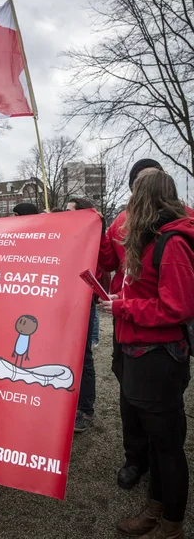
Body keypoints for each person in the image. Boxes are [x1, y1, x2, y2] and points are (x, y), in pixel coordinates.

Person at [100, 170, 192, 539]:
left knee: (167, 446)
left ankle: (173, 525)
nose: (129, 203)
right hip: (140, 352)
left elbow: (177, 308)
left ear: (145, 200)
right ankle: (156, 509)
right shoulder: (153, 240)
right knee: (157, 442)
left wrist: (124, 308)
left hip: (158, 357)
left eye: (135, 195)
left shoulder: (173, 243)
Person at [98, 158, 164, 488]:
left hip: (162, 332)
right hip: (126, 327)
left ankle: (162, 458)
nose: (147, 188)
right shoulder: (120, 224)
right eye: (140, 182)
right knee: (128, 396)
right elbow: (106, 263)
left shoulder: (180, 222)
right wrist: (92, 234)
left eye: (154, 181)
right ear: (132, 187)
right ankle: (134, 458)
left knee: (161, 404)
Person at [65, 197, 100, 432]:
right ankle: (67, 402)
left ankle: (85, 410)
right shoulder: (67, 234)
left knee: (83, 357)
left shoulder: (92, 237)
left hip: (84, 302)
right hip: (65, 302)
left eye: (70, 212)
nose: (65, 215)